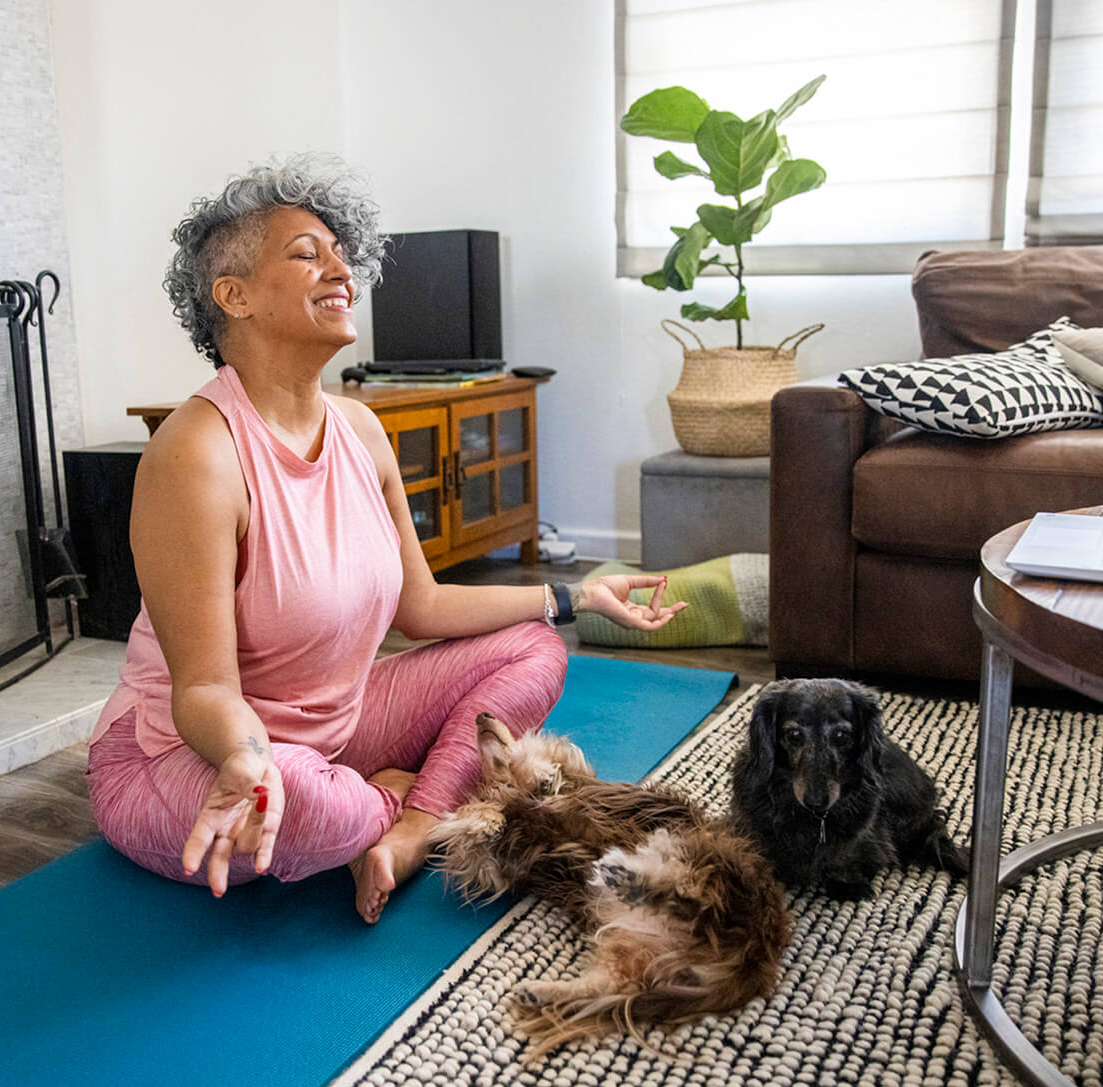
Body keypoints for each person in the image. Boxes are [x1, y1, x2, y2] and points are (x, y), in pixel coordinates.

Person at [86, 154, 686, 925]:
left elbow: (421, 604)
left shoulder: (362, 428)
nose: (342, 268)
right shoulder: (196, 453)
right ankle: (393, 799)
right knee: (298, 802)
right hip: (188, 750)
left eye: (341, 252)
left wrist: (573, 595)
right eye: (307, 253)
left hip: (339, 725)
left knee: (534, 646)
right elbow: (203, 688)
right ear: (231, 295)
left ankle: (410, 825)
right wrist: (248, 759)